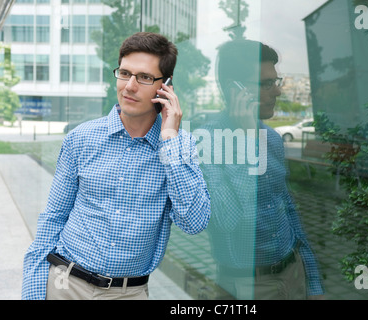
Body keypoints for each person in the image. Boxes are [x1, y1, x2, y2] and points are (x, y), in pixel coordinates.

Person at [21, 32, 211, 300]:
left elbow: (194, 222)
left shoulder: (181, 148)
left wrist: (169, 139)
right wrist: (33, 292)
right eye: (124, 73)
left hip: (128, 293)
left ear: (166, 86)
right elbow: (53, 217)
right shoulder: (81, 138)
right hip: (65, 285)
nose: (129, 86)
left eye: (144, 77)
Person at [200, 39, 324, 299]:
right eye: (266, 84)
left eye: (275, 82)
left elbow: (287, 209)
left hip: (293, 273)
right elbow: (229, 220)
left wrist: (313, 281)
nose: (277, 92)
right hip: (248, 285)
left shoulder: (272, 139)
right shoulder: (207, 143)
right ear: (234, 90)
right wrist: (246, 142)